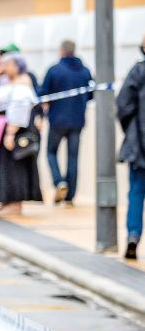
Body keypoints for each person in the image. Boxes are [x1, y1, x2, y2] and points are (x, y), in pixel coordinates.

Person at [0, 53, 42, 216]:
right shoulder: (4, 83)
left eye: (6, 65)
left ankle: (15, 202)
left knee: (13, 167)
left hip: (14, 129)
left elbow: (19, 109)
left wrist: (10, 133)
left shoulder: (23, 82)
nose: (2, 68)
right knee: (1, 167)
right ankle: (4, 200)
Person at [39, 40, 93, 206]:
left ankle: (59, 181)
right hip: (77, 120)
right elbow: (91, 94)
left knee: (50, 152)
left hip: (57, 120)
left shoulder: (55, 70)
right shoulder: (85, 71)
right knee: (73, 157)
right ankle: (70, 196)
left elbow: (43, 93)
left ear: (61, 51)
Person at [117, 35, 145, 261]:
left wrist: (132, 129)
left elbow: (123, 105)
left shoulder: (138, 71)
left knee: (136, 192)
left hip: (139, 146)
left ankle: (133, 235)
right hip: (137, 142)